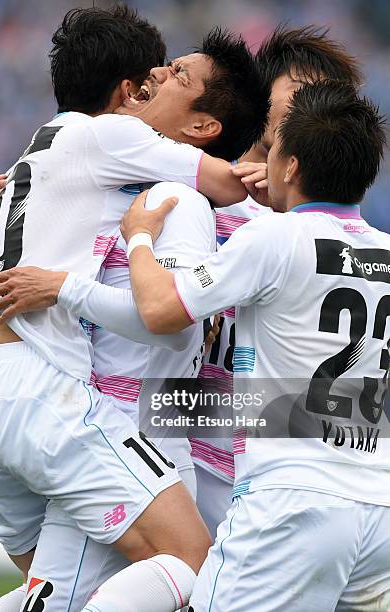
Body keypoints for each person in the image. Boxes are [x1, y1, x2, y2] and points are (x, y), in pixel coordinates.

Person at [0, 6, 270, 611]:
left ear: (204, 126)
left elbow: (173, 321)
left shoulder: (159, 195)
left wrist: (49, 281)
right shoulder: (138, 186)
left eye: (174, 74)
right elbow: (172, 326)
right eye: (157, 71)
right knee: (193, 568)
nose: (158, 78)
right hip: (77, 408)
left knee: (54, 594)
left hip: (48, 402)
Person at [115, 80, 390, 611]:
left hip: (295, 502)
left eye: (273, 149)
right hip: (378, 508)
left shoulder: (274, 239)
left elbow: (160, 309)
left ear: (289, 166)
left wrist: (140, 236)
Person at [192, 24, 365, 539]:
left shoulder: (328, 231)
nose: (308, 115)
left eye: (322, 102)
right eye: (297, 96)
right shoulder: (195, 194)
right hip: (187, 451)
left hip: (280, 473)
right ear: (261, 102)